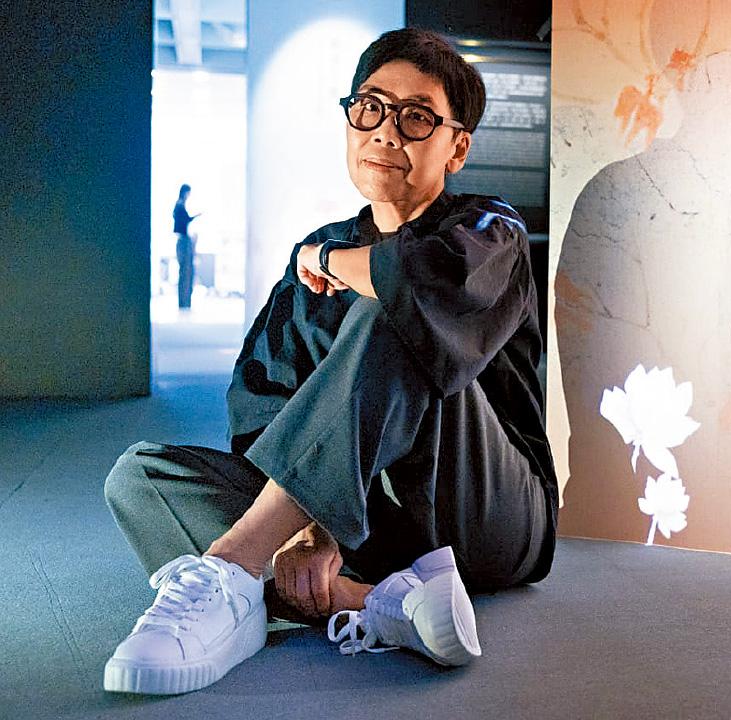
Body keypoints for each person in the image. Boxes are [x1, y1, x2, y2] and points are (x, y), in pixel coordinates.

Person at [102, 28, 557, 695]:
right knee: (140, 477)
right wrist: (313, 526)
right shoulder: (323, 248)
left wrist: (323, 261)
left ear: (457, 147)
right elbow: (263, 403)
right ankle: (374, 601)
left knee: (392, 306)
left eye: (417, 117)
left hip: (485, 512)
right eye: (370, 108)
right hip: (370, 521)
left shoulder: (490, 230)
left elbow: (418, 286)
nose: (386, 132)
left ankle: (234, 567)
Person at [173, 184, 201, 310]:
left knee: (185, 272)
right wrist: (195, 217)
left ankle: (184, 302)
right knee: (185, 272)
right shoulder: (179, 205)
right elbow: (184, 220)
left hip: (183, 240)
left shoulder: (179, 205)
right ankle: (184, 302)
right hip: (183, 241)